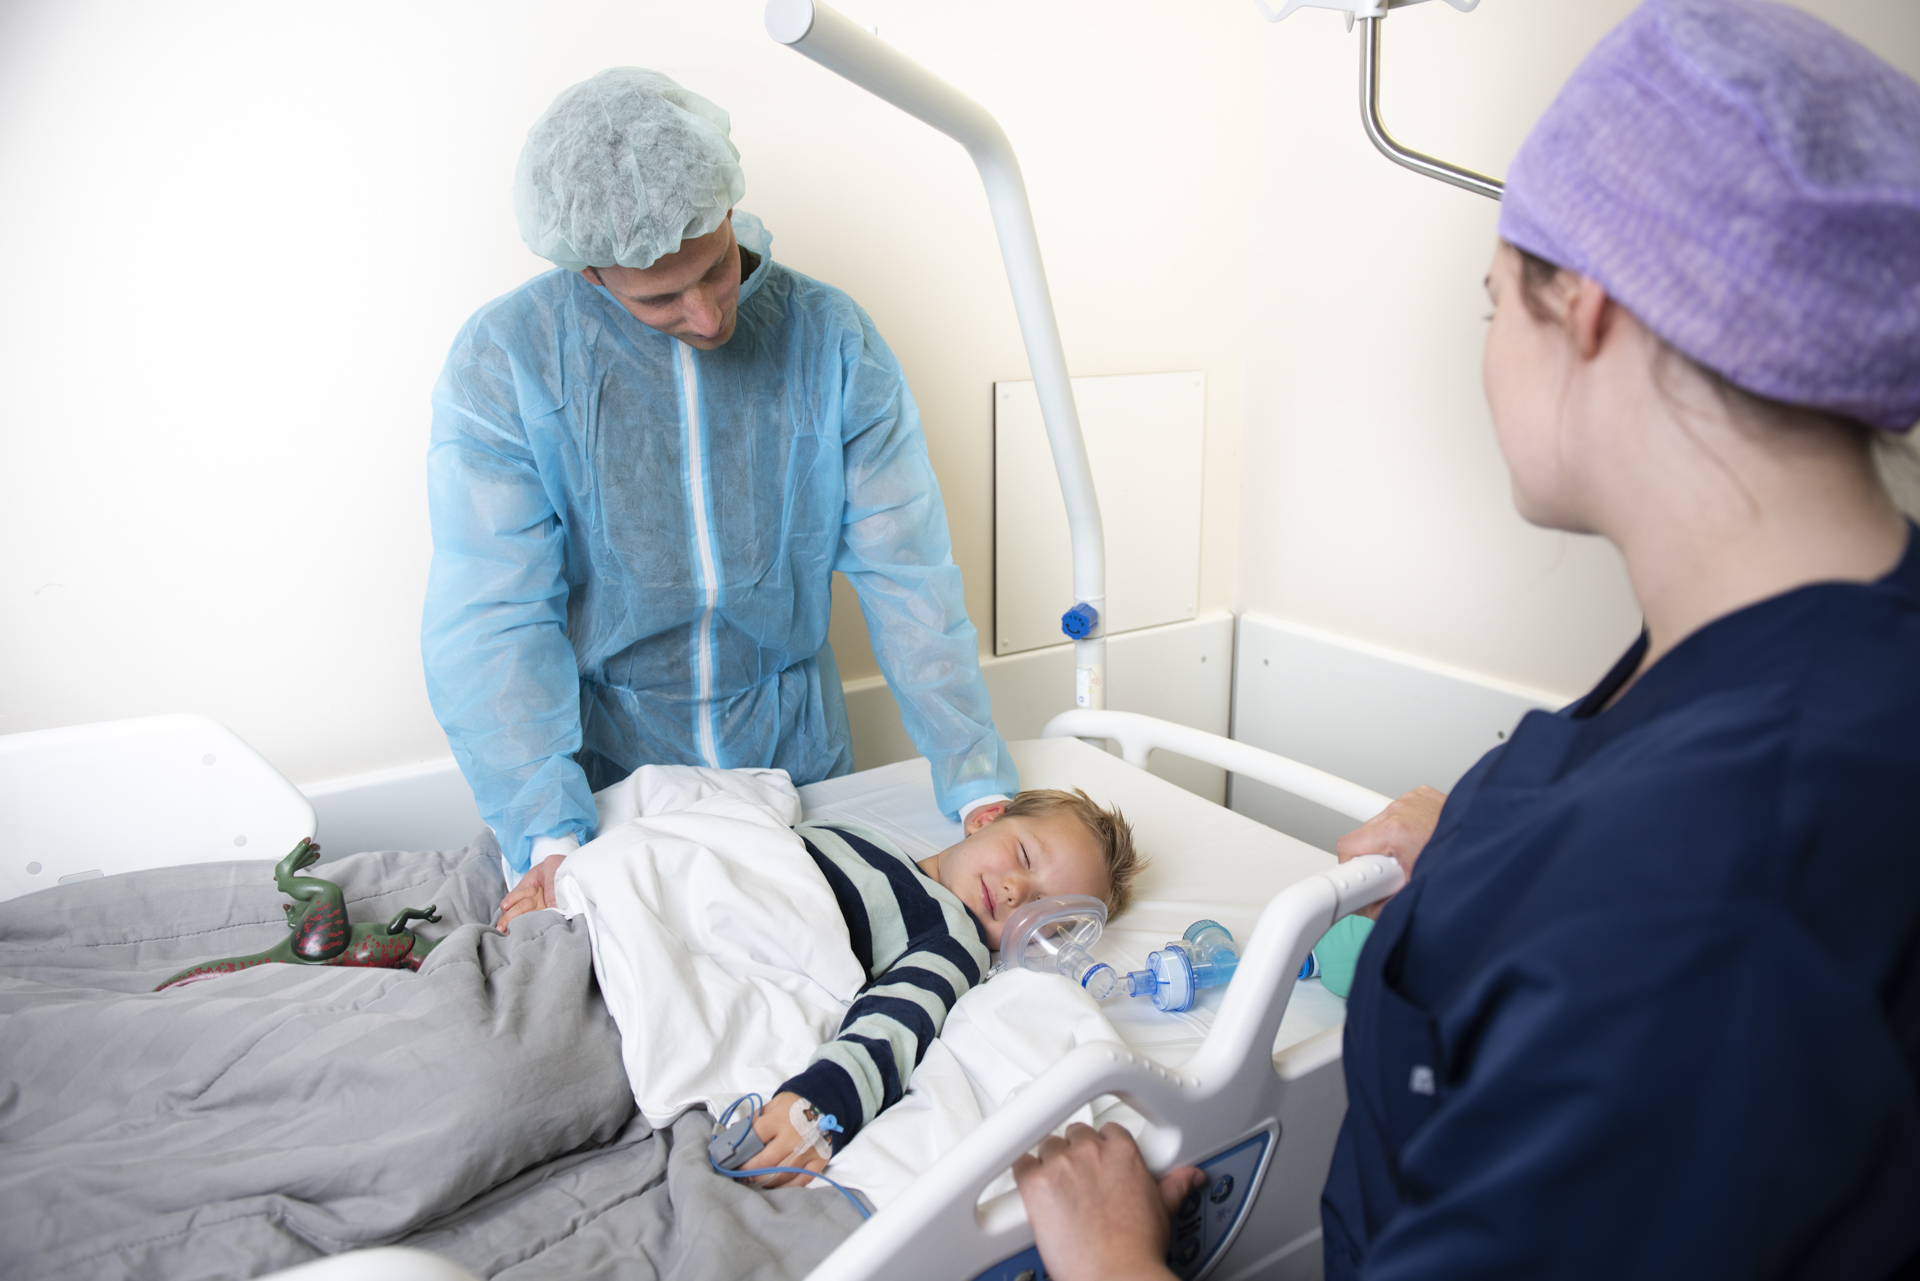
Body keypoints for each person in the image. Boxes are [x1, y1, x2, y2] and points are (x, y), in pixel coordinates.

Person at [1013, 1, 1920, 1277]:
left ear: (1588, 309)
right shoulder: (1822, 645)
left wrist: (1113, 1257)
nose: (1489, 351)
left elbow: (1665, 932)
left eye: (1493, 303)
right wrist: (1486, 841)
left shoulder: (1707, 900)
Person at [422, 68, 1018, 917]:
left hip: (794, 768)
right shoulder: (508, 363)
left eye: (717, 268)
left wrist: (975, 777)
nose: (707, 317)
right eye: (662, 297)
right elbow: (494, 617)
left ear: (730, 210)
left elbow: (909, 575)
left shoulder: (830, 339)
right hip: (613, 794)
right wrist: (549, 835)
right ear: (591, 274)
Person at [500, 785, 1142, 1186]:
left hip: (655, 970)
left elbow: (899, 1019)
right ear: (988, 818)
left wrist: (824, 1102)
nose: (1014, 890)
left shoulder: (953, 941)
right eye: (1024, 858)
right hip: (624, 911)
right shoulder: (861, 837)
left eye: (1043, 912)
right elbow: (717, 839)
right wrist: (577, 868)